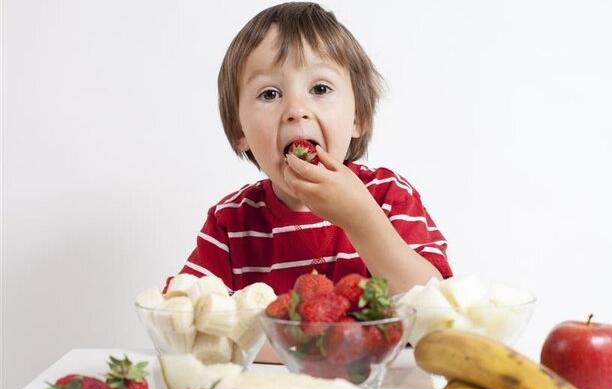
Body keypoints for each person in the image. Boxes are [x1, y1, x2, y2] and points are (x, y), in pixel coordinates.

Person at [170, 2, 452, 302]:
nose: (296, 110)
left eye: (319, 89)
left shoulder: (389, 197)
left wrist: (361, 219)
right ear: (241, 131)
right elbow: (182, 315)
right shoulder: (231, 225)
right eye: (270, 94)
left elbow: (435, 307)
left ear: (358, 118)